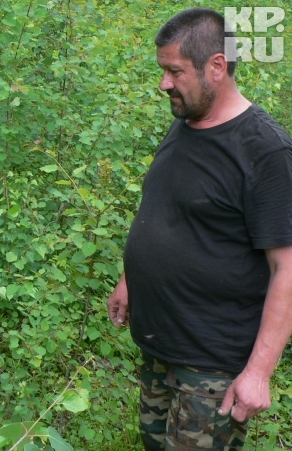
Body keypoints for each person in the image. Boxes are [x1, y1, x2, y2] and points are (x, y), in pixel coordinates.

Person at [107, 8, 292, 451]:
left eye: (174, 71)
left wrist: (259, 373)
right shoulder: (187, 123)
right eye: (162, 70)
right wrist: (131, 278)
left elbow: (287, 267)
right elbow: (168, 209)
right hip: (161, 343)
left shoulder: (264, 151)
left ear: (216, 66)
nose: (163, 83)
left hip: (212, 366)